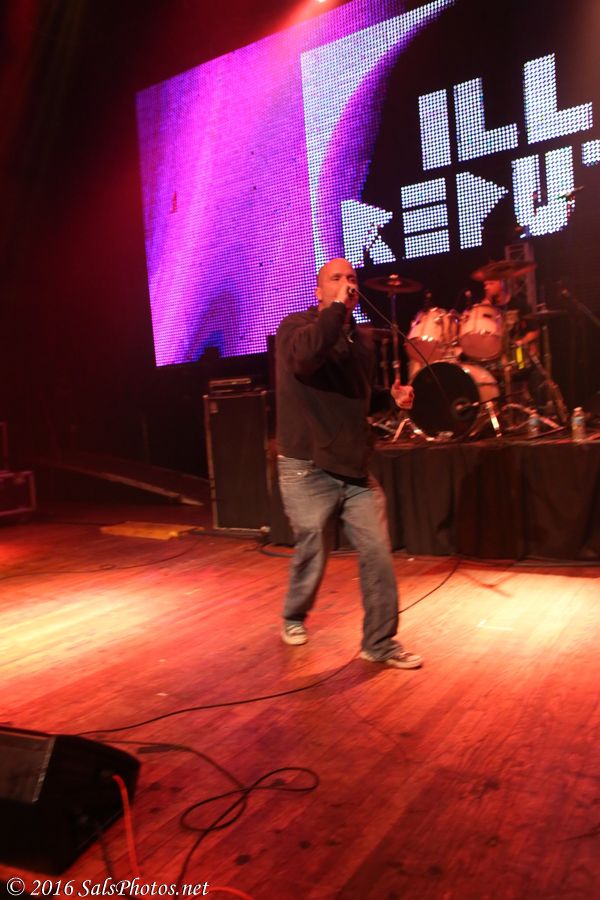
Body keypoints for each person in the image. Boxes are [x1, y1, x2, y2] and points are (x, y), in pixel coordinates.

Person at [275, 258, 422, 669]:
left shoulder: (362, 339)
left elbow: (357, 397)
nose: (347, 283)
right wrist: (336, 311)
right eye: (336, 278)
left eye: (352, 278)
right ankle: (293, 615)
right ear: (319, 291)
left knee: (377, 553)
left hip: (353, 467)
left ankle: (379, 642)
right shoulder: (296, 328)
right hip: (306, 465)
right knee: (313, 549)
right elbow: (306, 359)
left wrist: (390, 399)